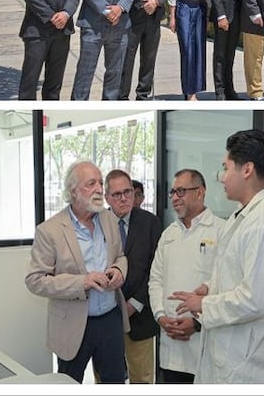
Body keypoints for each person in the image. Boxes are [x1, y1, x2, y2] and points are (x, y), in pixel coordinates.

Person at [170, 129, 264, 383]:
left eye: (225, 168)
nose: (222, 177)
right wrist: (210, 287)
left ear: (247, 169)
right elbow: (238, 272)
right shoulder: (243, 215)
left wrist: (203, 304)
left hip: (247, 363)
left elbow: (256, 299)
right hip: (228, 354)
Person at [25, 161, 129, 383]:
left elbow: (121, 256)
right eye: (91, 184)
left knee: (115, 381)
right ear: (73, 191)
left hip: (110, 318)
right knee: (68, 383)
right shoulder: (49, 230)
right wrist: (81, 282)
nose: (99, 189)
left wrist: (118, 270)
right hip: (72, 324)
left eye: (100, 183)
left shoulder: (109, 219)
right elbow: (35, 280)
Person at [148, 169, 225, 383]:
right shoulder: (168, 234)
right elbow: (155, 280)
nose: (174, 197)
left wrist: (197, 322)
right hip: (170, 340)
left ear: (200, 192)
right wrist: (161, 316)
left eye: (181, 191)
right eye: (172, 192)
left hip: (204, 341)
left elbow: (224, 283)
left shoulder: (221, 230)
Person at [104, 169, 161, 383]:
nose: (124, 198)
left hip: (140, 315)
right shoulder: (96, 223)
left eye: (128, 192)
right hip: (105, 314)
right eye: (117, 194)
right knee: (107, 379)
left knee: (142, 379)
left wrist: (134, 303)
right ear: (107, 197)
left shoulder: (150, 223)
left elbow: (156, 269)